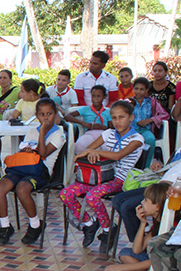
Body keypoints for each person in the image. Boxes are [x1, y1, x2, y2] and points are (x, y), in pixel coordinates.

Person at [112, 114, 181, 245]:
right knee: (117, 200)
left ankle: (138, 243)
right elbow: (171, 170)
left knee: (127, 206)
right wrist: (159, 168)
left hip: (169, 191)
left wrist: (178, 185)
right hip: (160, 185)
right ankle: (146, 232)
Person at [60, 100, 144, 248]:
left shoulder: (137, 139)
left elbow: (118, 155)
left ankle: (108, 229)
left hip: (118, 180)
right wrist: (90, 153)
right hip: (97, 177)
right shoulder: (108, 133)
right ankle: (89, 224)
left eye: (122, 117)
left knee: (92, 197)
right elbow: (86, 151)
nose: (117, 121)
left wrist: (95, 152)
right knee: (66, 193)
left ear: (131, 117)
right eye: (114, 117)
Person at [0, 98, 65, 245]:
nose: (46, 118)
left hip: (41, 172)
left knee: (22, 189)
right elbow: (26, 149)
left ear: (55, 114)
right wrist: (26, 149)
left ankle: (35, 225)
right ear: (37, 116)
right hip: (25, 167)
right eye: (42, 114)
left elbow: (43, 154)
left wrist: (43, 132)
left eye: (49, 114)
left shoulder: (59, 134)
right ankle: (5, 226)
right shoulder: (32, 130)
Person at [103, 182, 167, 271]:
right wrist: (142, 223)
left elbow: (158, 260)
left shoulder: (169, 226)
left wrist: (123, 267)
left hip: (164, 264)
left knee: (158, 268)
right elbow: (137, 250)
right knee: (125, 253)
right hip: (155, 263)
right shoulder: (157, 223)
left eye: (146, 200)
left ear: (158, 206)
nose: (142, 202)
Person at [64, 85, 111, 155]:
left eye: (99, 96)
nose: (95, 99)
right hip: (89, 133)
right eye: (93, 96)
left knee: (109, 148)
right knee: (78, 146)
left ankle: (105, 165)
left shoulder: (108, 111)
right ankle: (81, 165)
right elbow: (67, 116)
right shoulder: (85, 109)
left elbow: (111, 128)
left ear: (104, 97)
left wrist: (103, 127)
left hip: (104, 134)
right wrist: (83, 123)